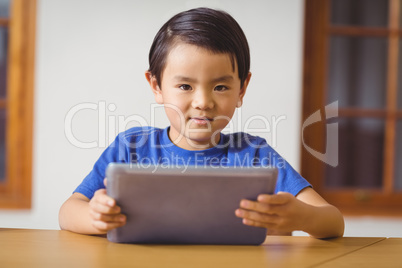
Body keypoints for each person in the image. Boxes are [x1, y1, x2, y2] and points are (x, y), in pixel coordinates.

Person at [59, 7, 344, 239]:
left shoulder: (254, 154)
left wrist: (302, 217)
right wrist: (95, 217)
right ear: (156, 86)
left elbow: (334, 222)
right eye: (185, 86)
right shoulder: (131, 147)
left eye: (220, 87)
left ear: (242, 89)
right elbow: (68, 211)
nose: (203, 102)